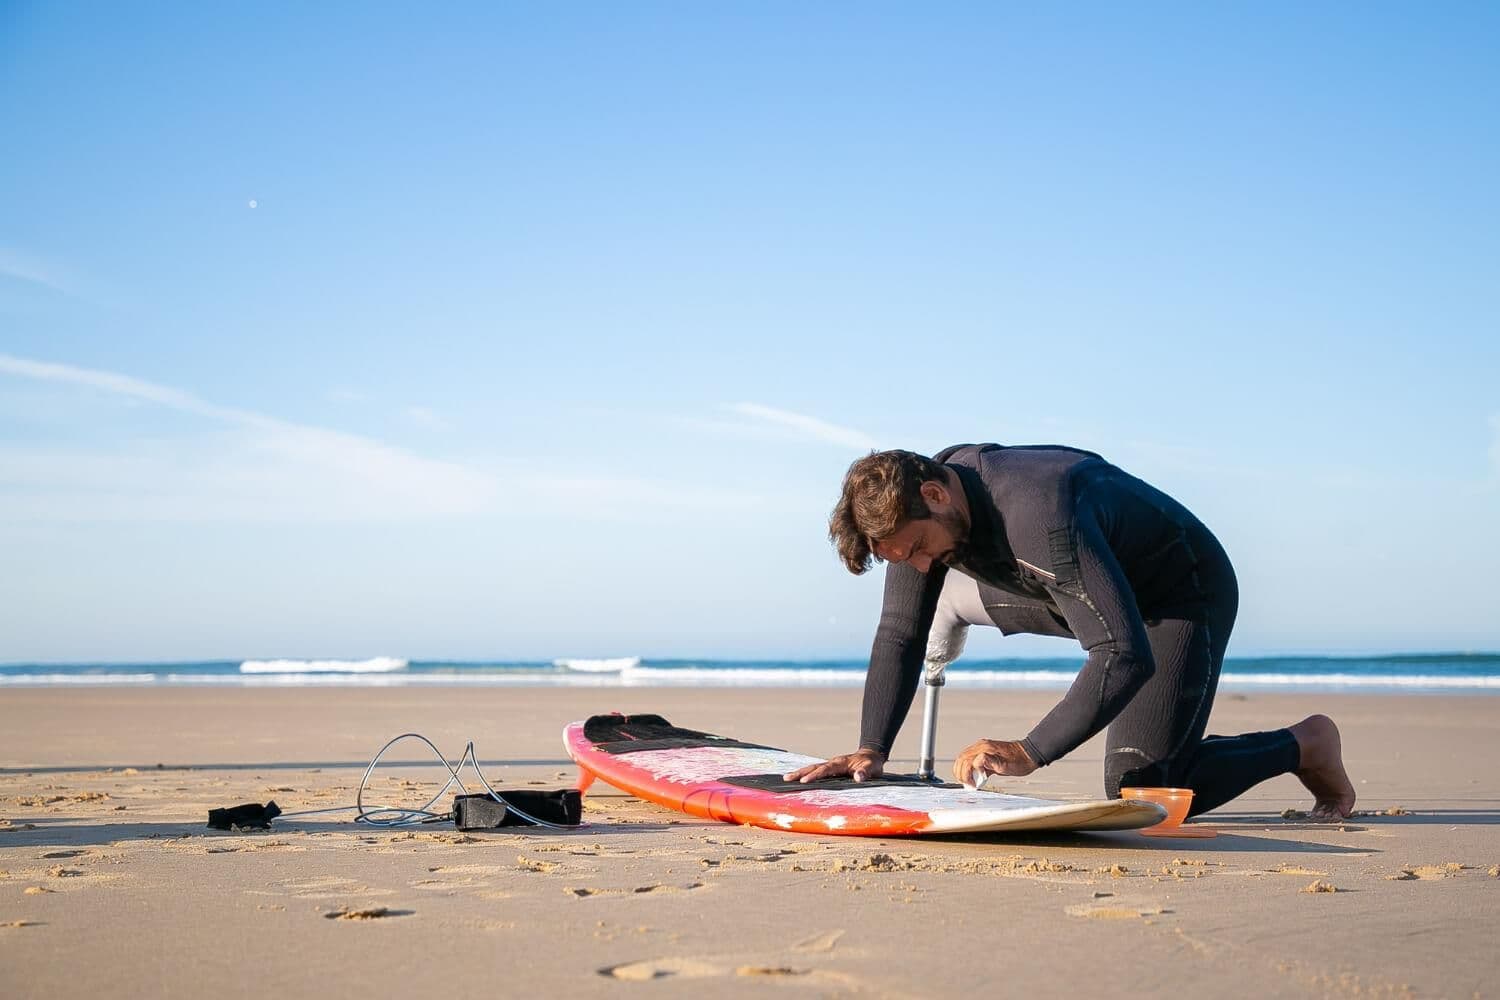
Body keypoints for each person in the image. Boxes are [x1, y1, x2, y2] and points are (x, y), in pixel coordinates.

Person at [784, 444, 1356, 820]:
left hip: (1176, 593)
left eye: (915, 549)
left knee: (1143, 789)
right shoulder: (920, 512)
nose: (918, 567)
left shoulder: (1039, 515)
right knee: (934, 597)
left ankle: (1305, 744)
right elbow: (899, 633)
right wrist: (870, 748)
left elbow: (1122, 652)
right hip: (1060, 585)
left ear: (935, 495)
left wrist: (1031, 751)